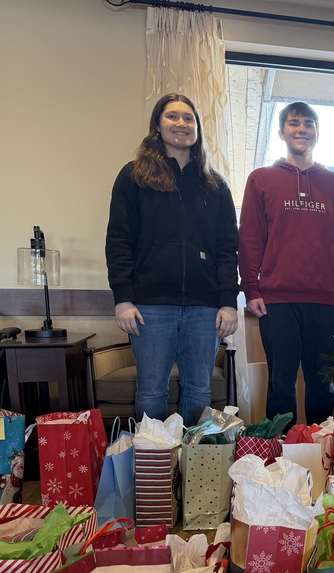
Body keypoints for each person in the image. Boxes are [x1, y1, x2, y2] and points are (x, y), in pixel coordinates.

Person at [105, 93, 239, 427]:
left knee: (199, 392)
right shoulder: (134, 177)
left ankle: (194, 472)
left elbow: (227, 248)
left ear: (197, 128)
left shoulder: (215, 185)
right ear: (158, 125)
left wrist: (228, 302)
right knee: (151, 392)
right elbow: (119, 240)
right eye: (172, 117)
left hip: (204, 308)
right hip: (150, 307)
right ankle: (156, 471)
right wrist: (123, 298)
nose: (181, 124)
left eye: (188, 118)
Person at [239, 102, 334, 429]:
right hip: (277, 302)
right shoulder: (261, 180)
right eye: (294, 123)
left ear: (316, 133)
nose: (301, 129)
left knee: (322, 386)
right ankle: (280, 459)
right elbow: (250, 240)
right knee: (281, 386)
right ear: (282, 132)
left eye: (308, 123)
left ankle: (321, 454)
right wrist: (251, 289)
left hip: (326, 302)